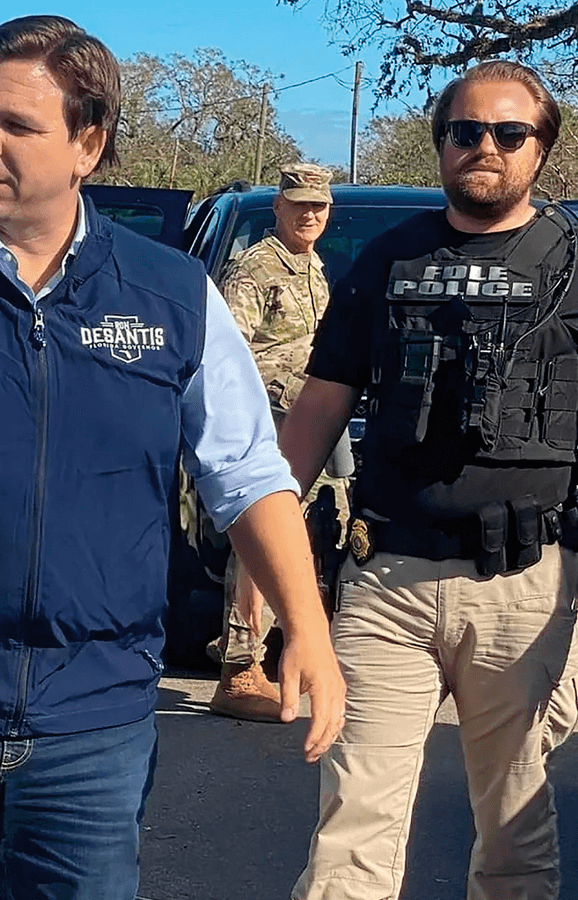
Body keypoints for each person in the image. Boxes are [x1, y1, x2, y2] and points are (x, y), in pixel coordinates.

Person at [0, 15, 345, 900]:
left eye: (17, 125)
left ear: (89, 142)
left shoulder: (171, 296)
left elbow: (245, 474)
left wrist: (306, 628)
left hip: (99, 709)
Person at [279, 60, 578, 900]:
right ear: (441, 146)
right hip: (387, 579)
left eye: (509, 133)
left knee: (513, 831)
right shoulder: (386, 260)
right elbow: (317, 412)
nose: (485, 147)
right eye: (465, 132)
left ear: (542, 150)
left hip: (525, 585)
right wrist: (265, 560)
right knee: (353, 826)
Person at [207, 162, 351, 722]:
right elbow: (230, 357)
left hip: (318, 423)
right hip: (270, 425)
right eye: (300, 205)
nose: (310, 214)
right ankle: (239, 669)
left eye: (319, 206)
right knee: (263, 539)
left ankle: (291, 657)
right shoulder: (255, 269)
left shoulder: (313, 268)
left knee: (317, 539)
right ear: (280, 207)